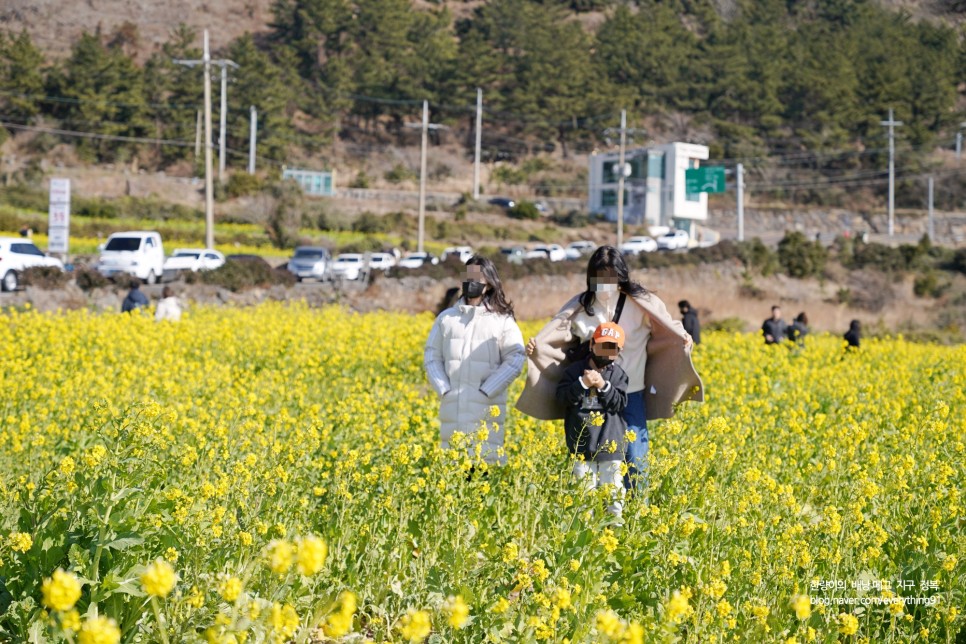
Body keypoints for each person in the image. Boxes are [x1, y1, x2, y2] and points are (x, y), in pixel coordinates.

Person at [518, 245, 703, 493]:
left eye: (610, 276)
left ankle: (638, 512)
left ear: (620, 275)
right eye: (599, 275)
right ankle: (601, 516)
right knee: (594, 459)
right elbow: (556, 334)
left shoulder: (641, 304)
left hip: (631, 391)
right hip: (593, 395)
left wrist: (682, 337)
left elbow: (666, 324)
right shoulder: (582, 306)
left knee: (635, 457)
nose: (605, 282)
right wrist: (537, 346)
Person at [424, 256, 525, 466]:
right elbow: (432, 356)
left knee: (483, 470)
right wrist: (444, 389)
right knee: (453, 471)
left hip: (486, 407)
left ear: (488, 283)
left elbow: (515, 357)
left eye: (477, 278)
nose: (472, 282)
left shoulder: (502, 320)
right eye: (468, 276)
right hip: (453, 408)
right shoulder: (446, 318)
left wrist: (488, 389)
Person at [556, 322, 629, 521]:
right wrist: (583, 384)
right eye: (602, 345)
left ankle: (615, 532)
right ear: (591, 345)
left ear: (619, 351)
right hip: (581, 448)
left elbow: (619, 404)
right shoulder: (574, 371)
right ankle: (584, 535)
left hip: (610, 446)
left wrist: (602, 385)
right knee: (583, 497)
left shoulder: (618, 375)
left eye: (611, 348)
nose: (606, 352)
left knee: (613, 495)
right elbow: (562, 398)